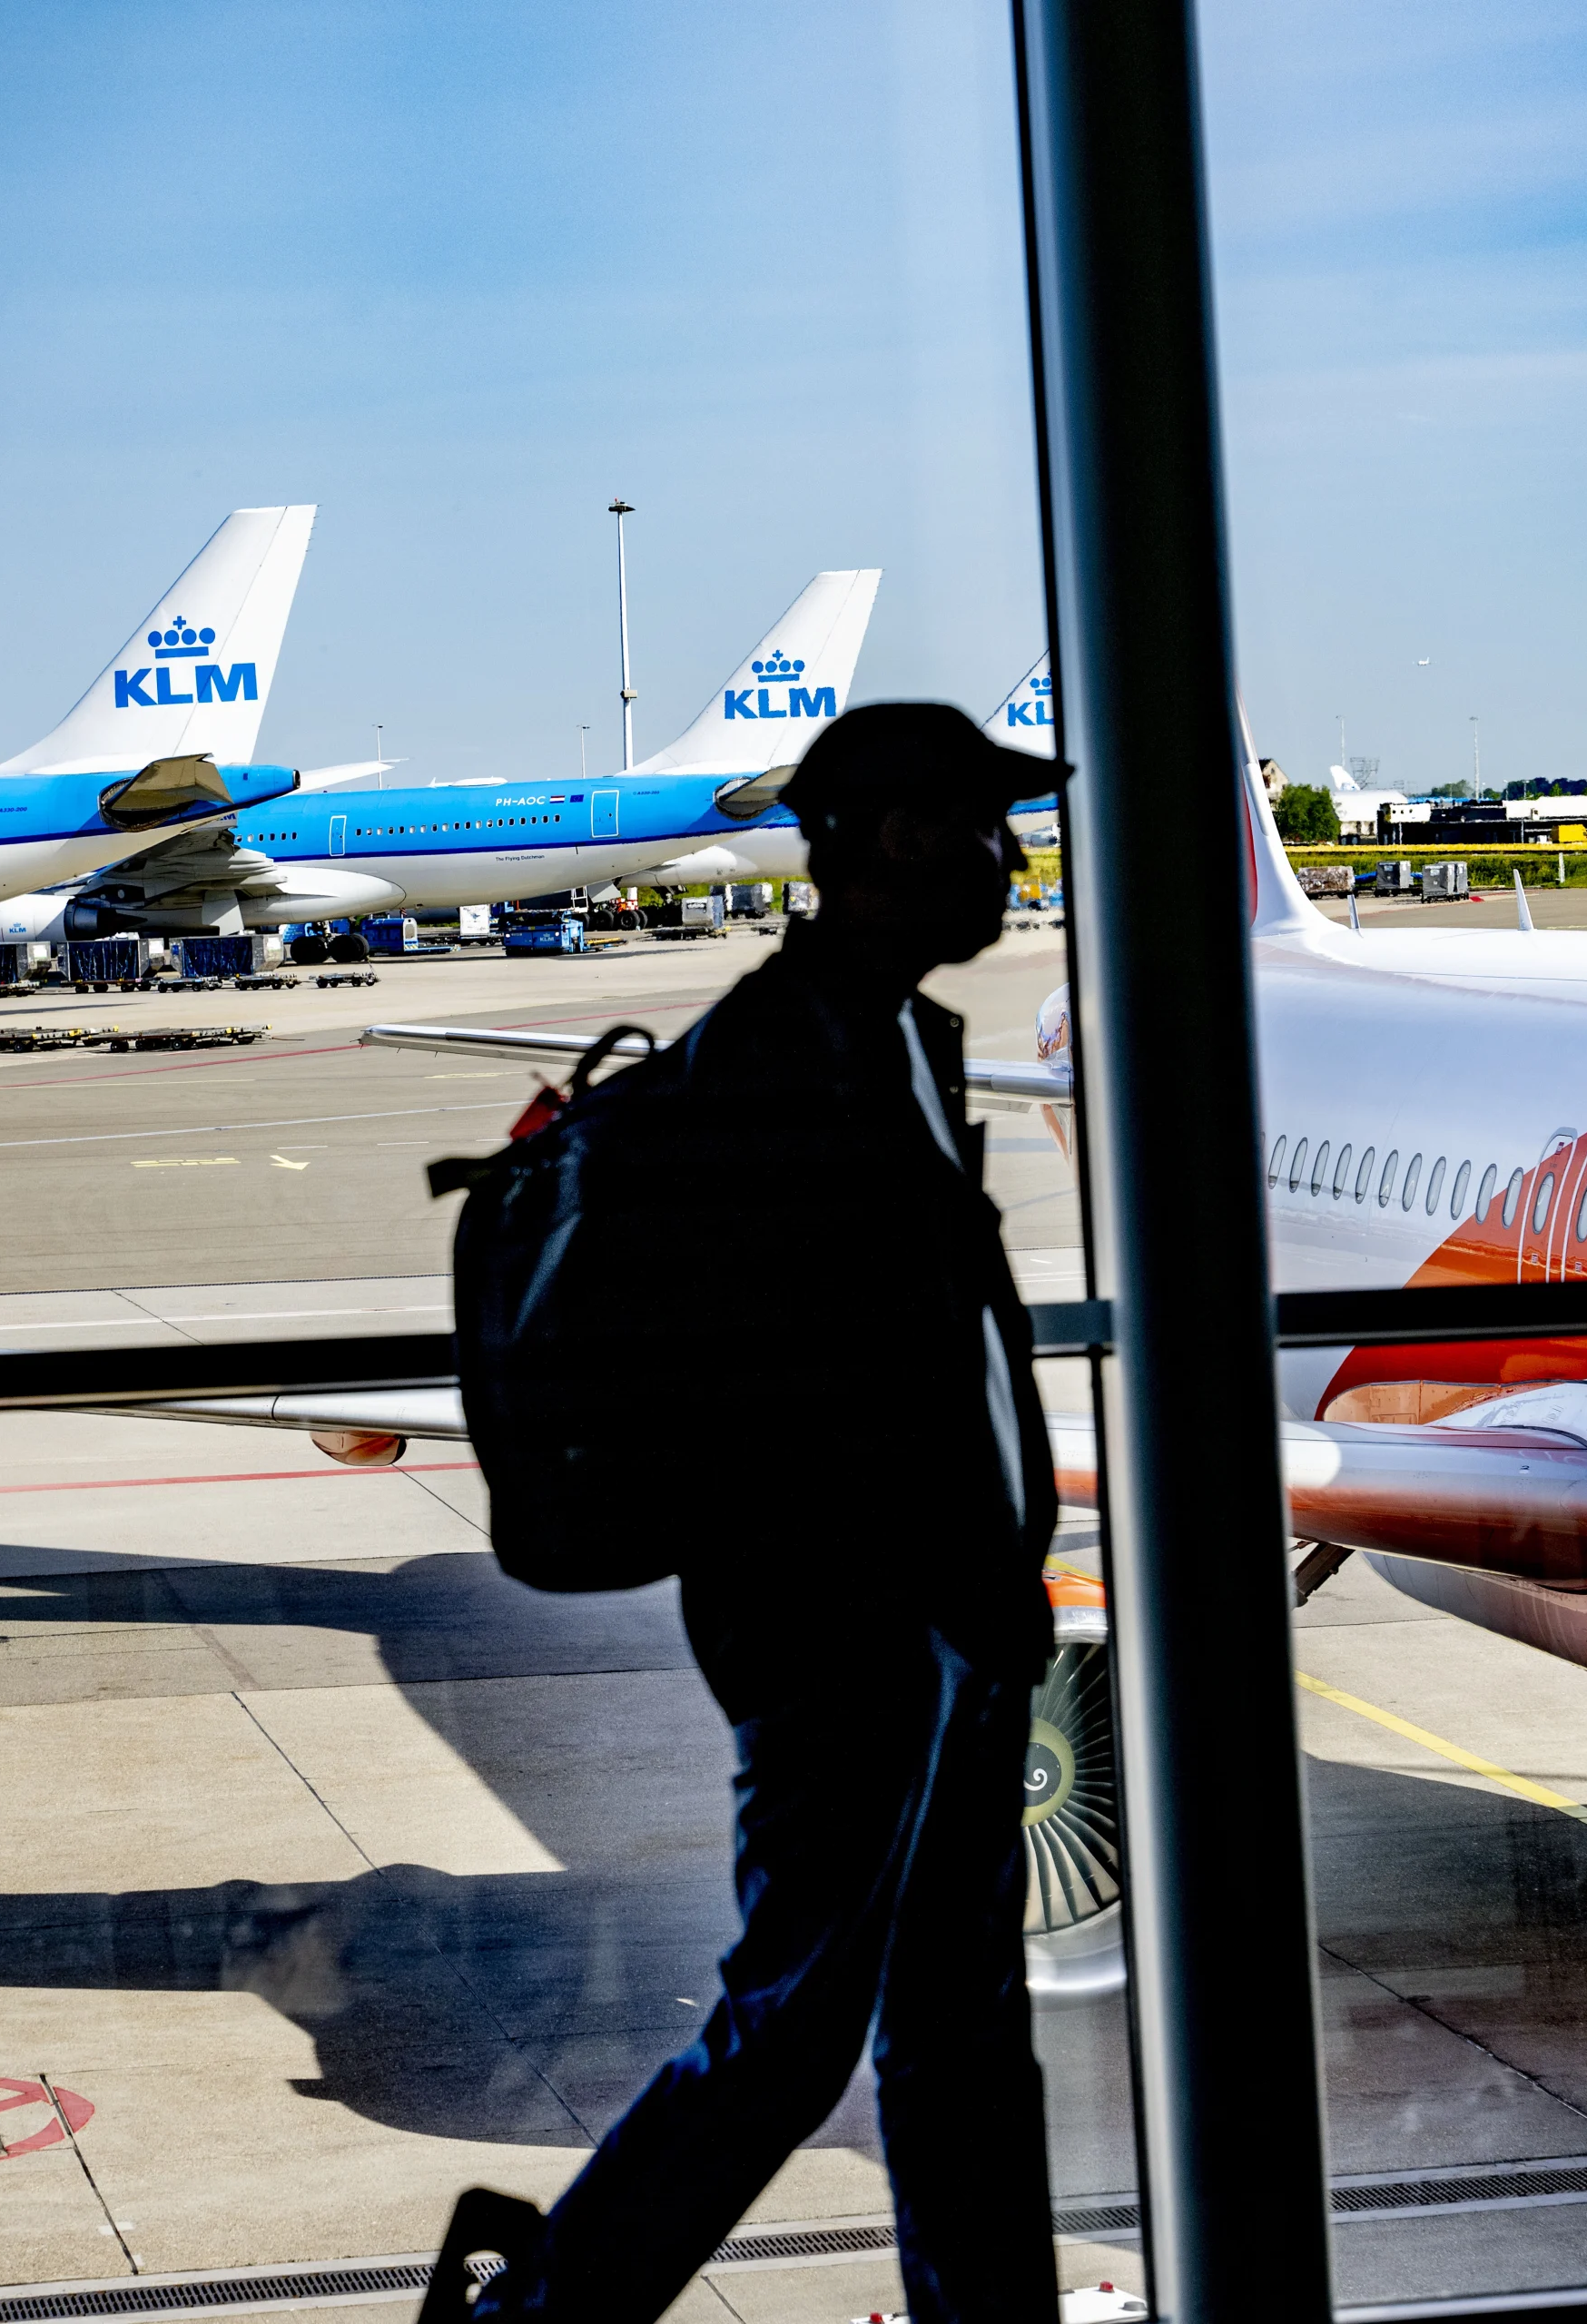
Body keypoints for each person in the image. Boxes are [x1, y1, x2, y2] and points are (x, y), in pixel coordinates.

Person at [444, 701, 1064, 2324]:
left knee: (956, 2031)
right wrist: (917, 1609)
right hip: (859, 1639)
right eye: (984, 829)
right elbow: (802, 1401)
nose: (1010, 859)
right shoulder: (787, 1068)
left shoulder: (890, 1045)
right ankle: (543, 2318)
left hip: (946, 1627)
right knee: (792, 2032)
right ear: (898, 843)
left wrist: (995, 1599)